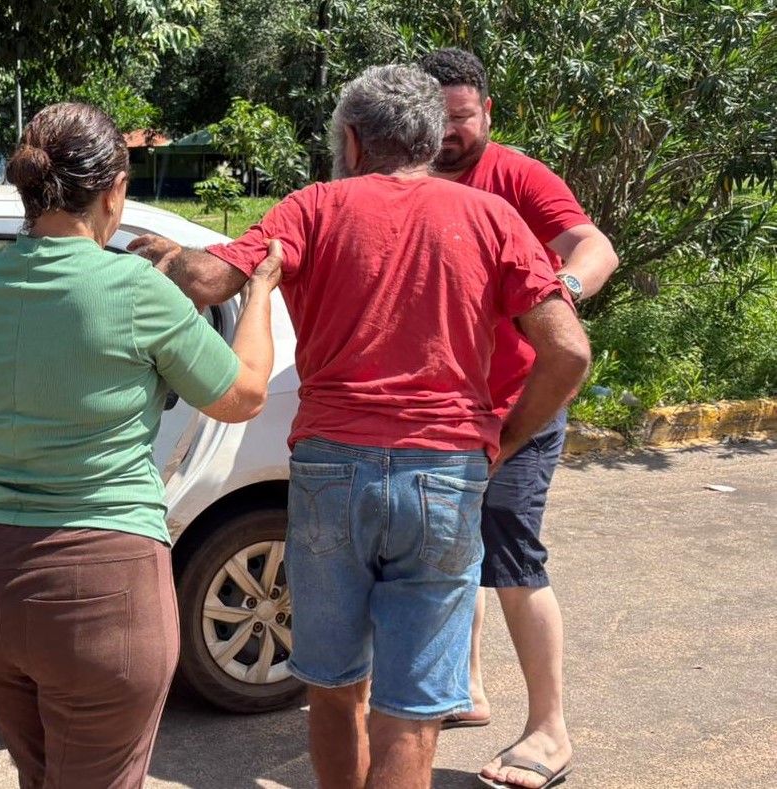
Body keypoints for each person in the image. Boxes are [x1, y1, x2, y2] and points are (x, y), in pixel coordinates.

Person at [129, 64, 591, 789]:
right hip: (446, 474)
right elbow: (569, 350)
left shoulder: (313, 207)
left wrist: (160, 255)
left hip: (330, 472)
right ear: (432, 138)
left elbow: (208, 281)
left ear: (351, 138)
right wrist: (501, 439)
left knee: (334, 684)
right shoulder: (492, 218)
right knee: (411, 708)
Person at [0, 102, 281, 789]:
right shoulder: (133, 294)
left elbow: (65, 319)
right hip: (97, 592)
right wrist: (261, 292)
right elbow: (241, 395)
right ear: (115, 189)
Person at [420, 48, 619, 789]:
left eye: (461, 117)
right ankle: (463, 690)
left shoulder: (515, 175)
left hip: (525, 399)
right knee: (450, 536)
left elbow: (595, 246)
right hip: (446, 401)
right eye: (434, 118)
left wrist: (559, 289)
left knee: (507, 543)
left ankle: (549, 729)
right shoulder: (402, 175)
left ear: (487, 113)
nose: (447, 132)